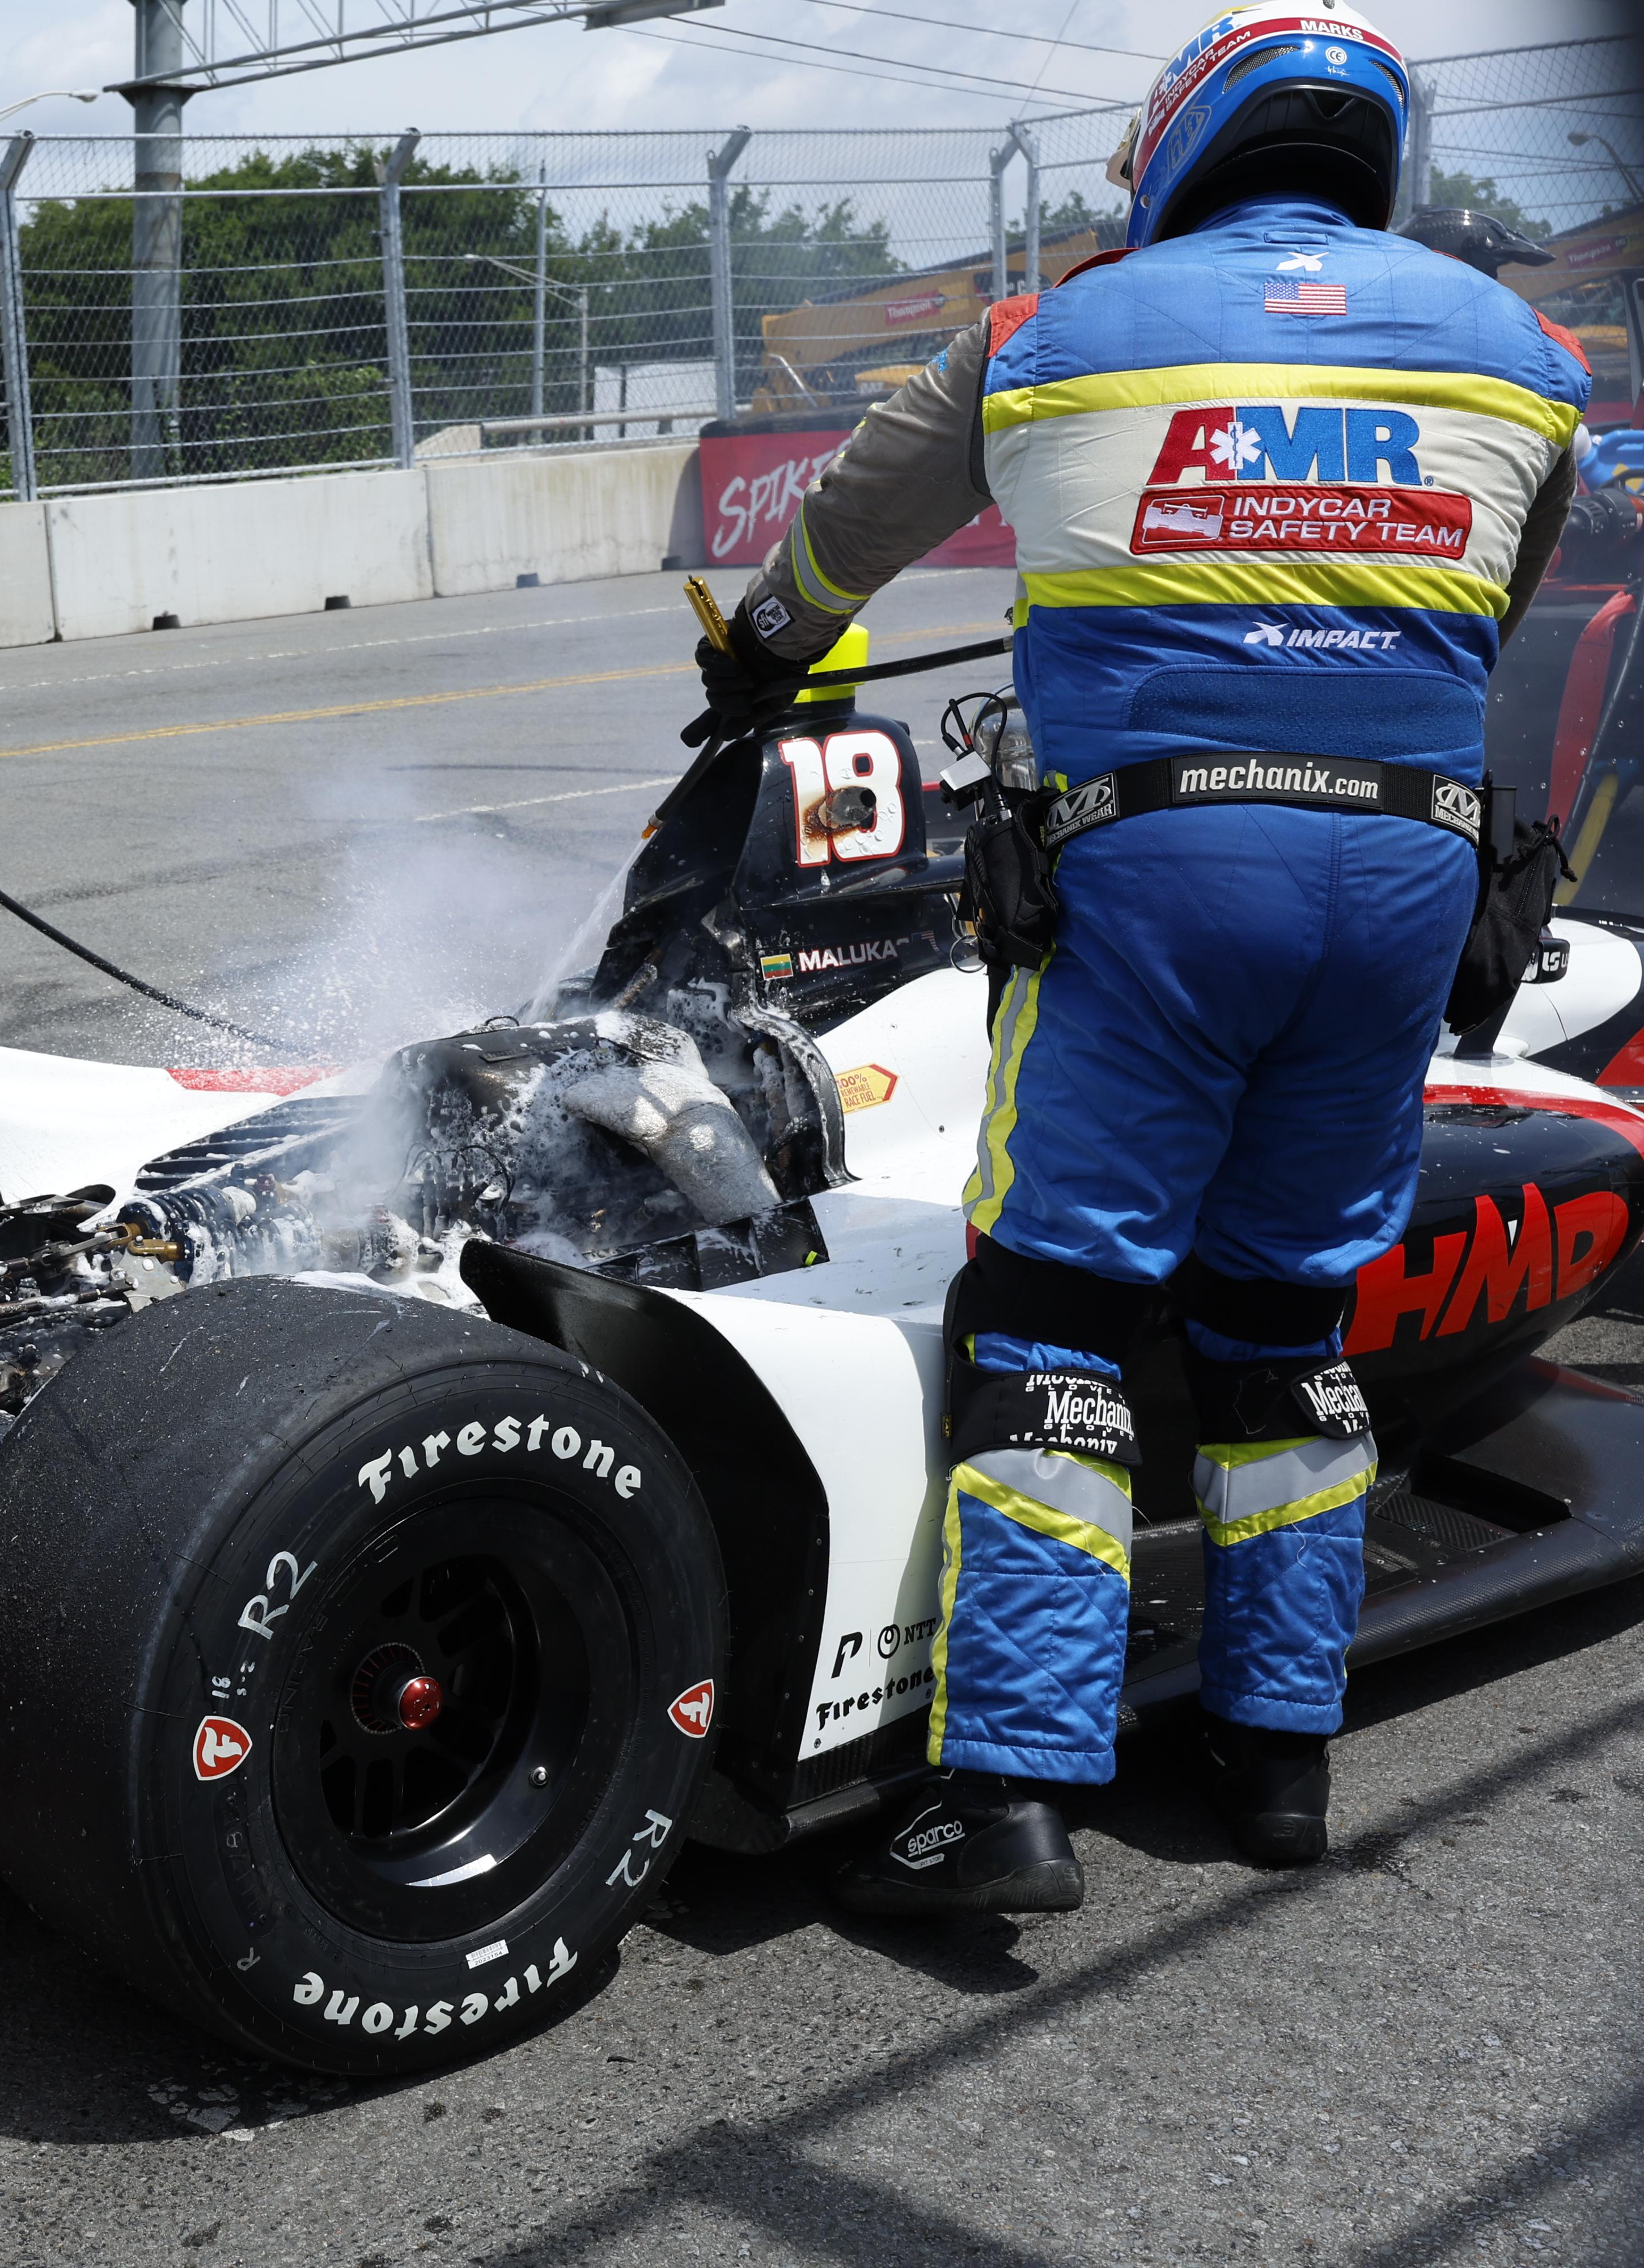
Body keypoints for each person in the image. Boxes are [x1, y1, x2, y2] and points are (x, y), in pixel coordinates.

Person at [675, 3, 1590, 1912]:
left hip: (1157, 868)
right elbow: (1496, 605)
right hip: (1410, 882)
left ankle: (1006, 1791)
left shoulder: (1053, 328)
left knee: (1059, 1312)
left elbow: (850, 523)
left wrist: (760, 647)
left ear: (1183, 147)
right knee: (1284, 1315)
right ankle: (1274, 1762)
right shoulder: (1527, 356)